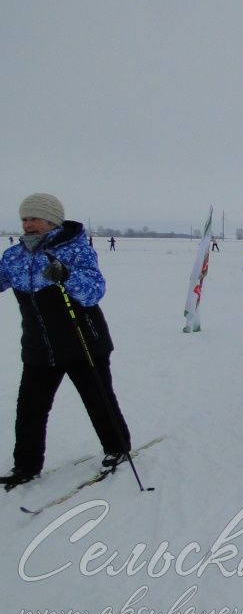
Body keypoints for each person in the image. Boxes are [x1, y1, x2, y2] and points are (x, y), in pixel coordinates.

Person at [0, 194, 133, 488]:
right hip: (39, 347)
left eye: (34, 218)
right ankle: (26, 465)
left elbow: (93, 292)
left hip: (83, 341)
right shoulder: (13, 256)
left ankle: (117, 449)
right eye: (24, 219)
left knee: (98, 400)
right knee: (30, 408)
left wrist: (66, 274)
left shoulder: (75, 250)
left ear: (52, 221)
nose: (28, 224)